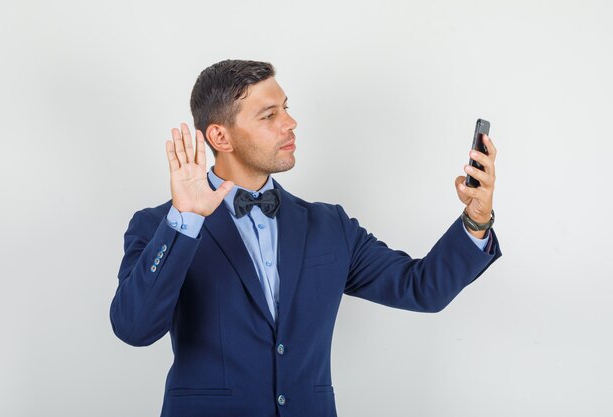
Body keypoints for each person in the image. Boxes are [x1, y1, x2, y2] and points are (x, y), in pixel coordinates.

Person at [109, 59, 502, 417]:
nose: (290, 123)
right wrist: (187, 218)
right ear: (220, 137)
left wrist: (476, 220)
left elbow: (422, 289)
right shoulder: (160, 225)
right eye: (269, 115)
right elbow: (134, 328)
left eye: (286, 108)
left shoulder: (330, 225)